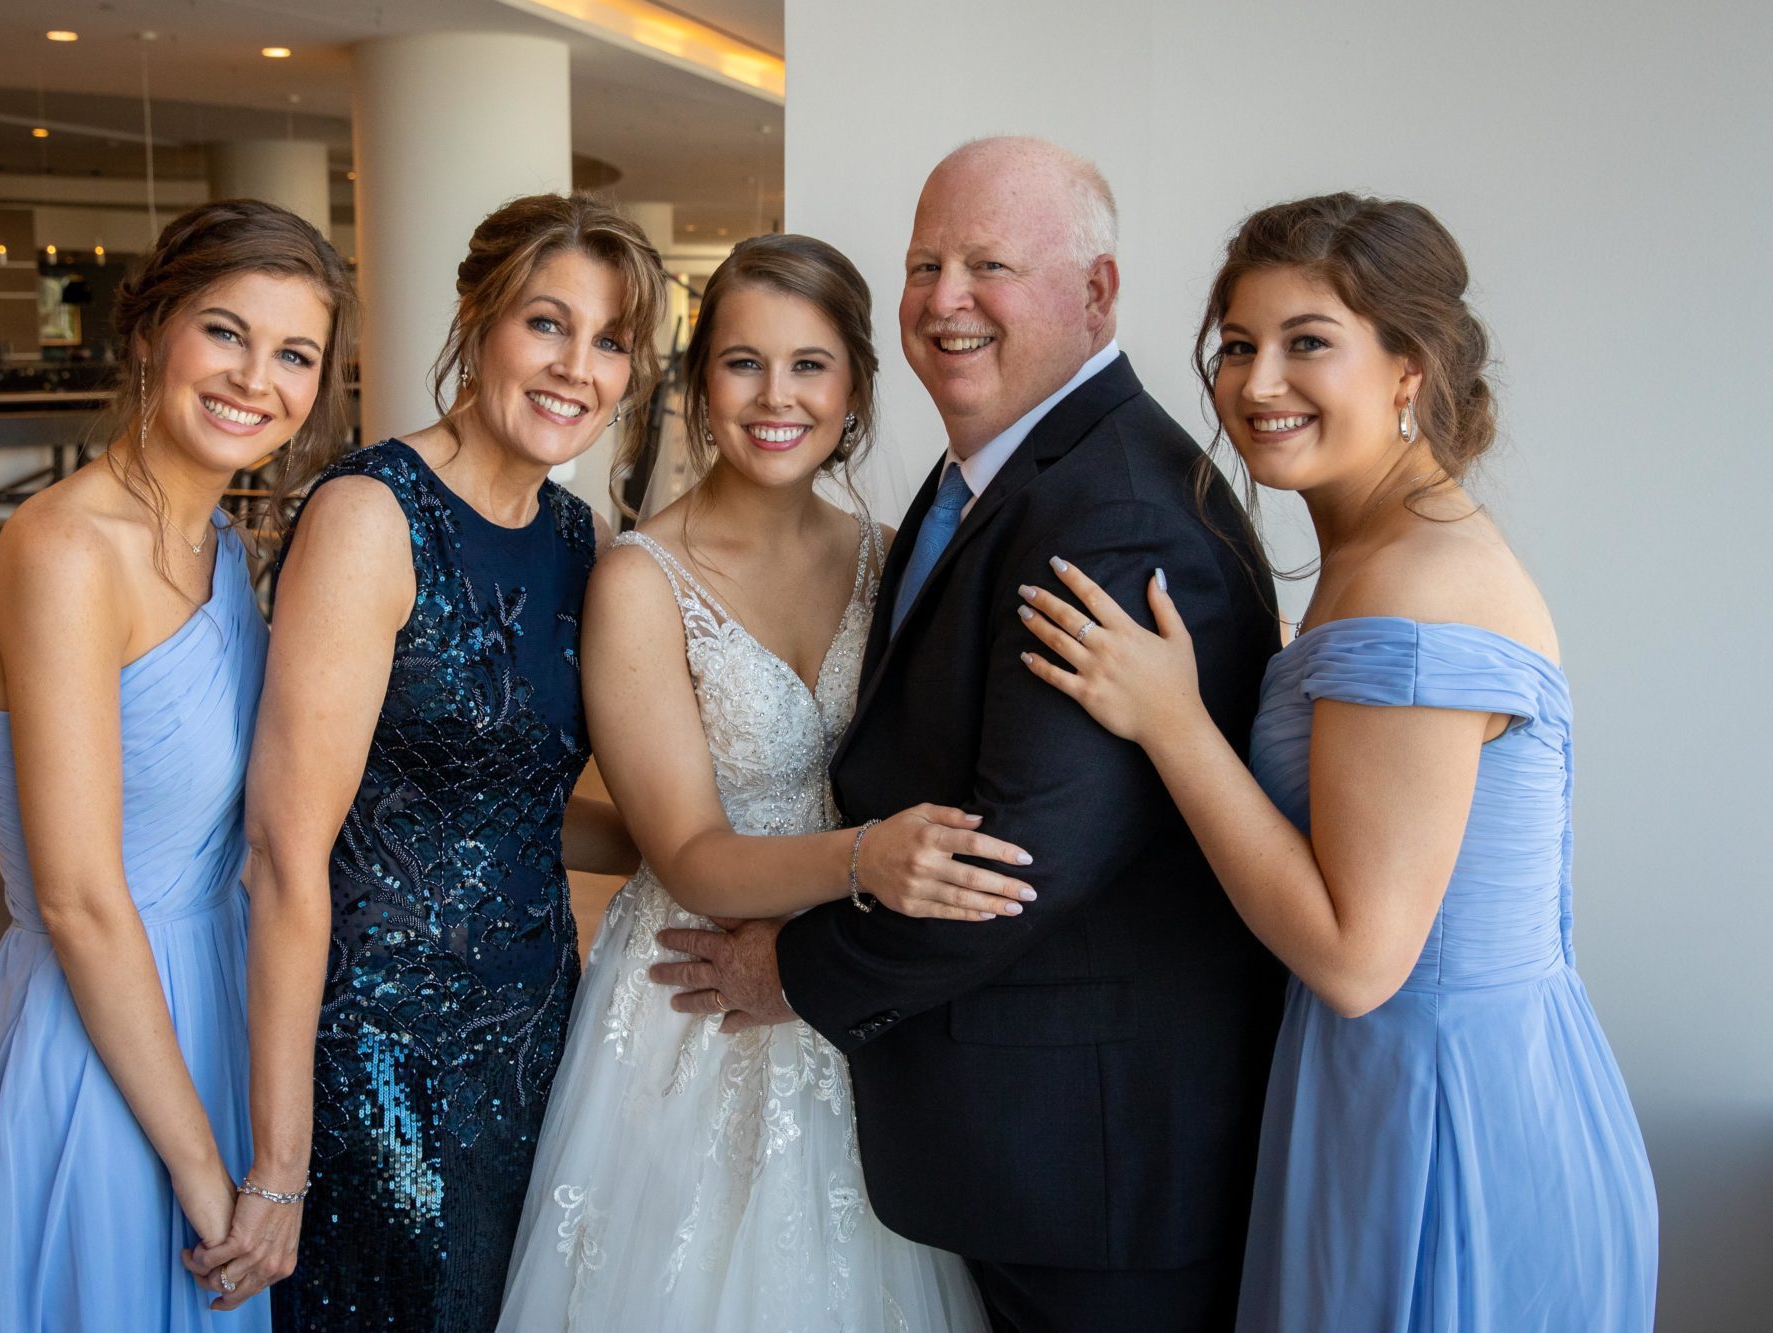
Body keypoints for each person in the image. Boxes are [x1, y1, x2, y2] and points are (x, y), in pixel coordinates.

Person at [655, 137, 1287, 1331]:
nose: (945, 300)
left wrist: (787, 970)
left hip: (1091, 1166)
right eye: (923, 265)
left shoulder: (1110, 512)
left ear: (1095, 292)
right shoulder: (994, 478)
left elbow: (1018, 858)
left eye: (988, 265)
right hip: (1004, 1138)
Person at [1014, 192, 1659, 1330]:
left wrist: (1172, 723)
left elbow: (1359, 961)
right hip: (1417, 1085)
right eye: (1236, 346)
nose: (1258, 382)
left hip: (1440, 1119)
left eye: (1306, 342)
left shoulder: (1413, 595)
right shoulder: (1385, 552)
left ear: (1410, 368)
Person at [498, 234, 1010, 1332]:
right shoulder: (639, 580)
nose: (777, 396)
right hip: (695, 999)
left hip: (855, 989)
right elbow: (685, 853)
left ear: (854, 385)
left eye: (809, 364)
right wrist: (870, 858)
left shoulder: (893, 556)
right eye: (742, 362)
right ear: (698, 384)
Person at [0, 198, 356, 1331]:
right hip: (98, 1053)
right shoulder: (65, 548)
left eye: (294, 354)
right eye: (225, 332)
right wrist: (208, 1171)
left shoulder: (220, 543)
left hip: (211, 1009)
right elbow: (78, 898)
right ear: (152, 332)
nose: (255, 378)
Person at [234, 193, 665, 1332]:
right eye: (546, 323)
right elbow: (282, 851)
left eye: (610, 341)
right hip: (378, 1052)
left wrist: (705, 858)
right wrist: (277, 1163)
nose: (576, 368)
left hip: (537, 1039)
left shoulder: (576, 537)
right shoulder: (371, 516)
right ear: (476, 319)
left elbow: (515, 802)